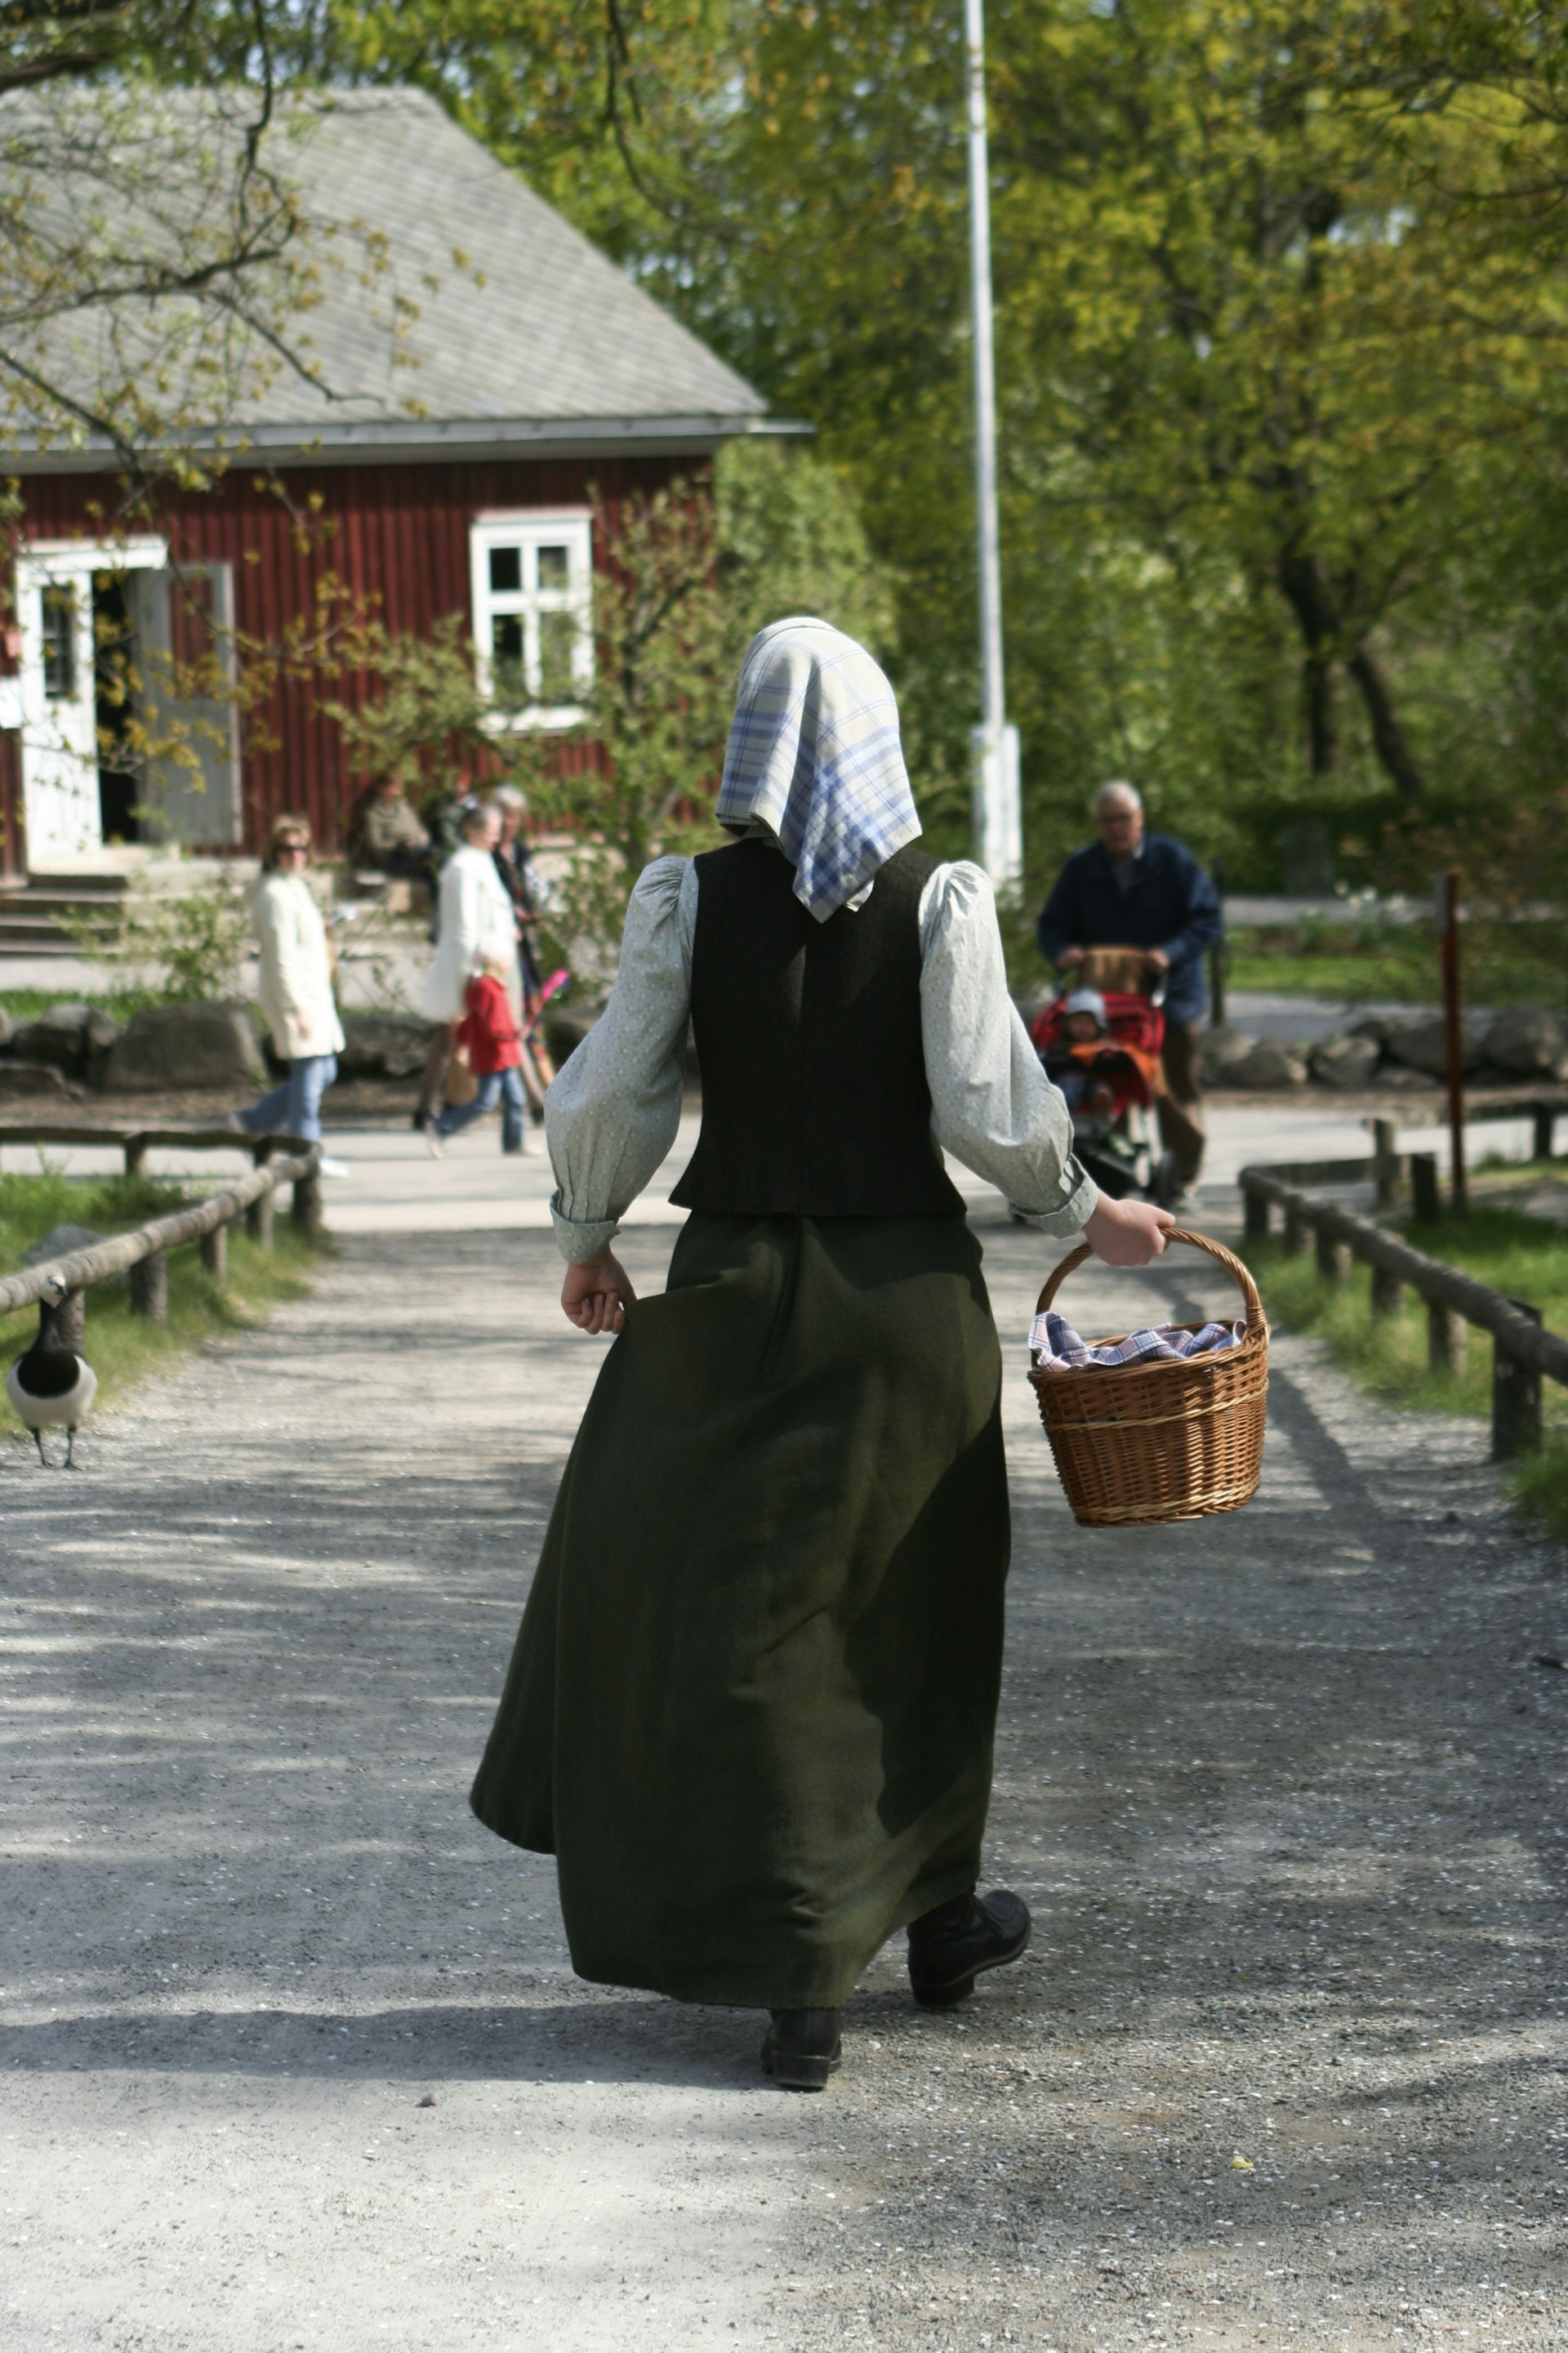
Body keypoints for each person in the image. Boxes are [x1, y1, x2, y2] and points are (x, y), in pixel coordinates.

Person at [469, 617, 1172, 2094]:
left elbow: (620, 1080)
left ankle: (809, 1978)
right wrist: (1080, 1207)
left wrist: (587, 1233)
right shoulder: (938, 900)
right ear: (877, 736)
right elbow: (987, 1091)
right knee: (908, 1608)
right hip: (903, 1300)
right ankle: (929, 1919)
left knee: (744, 1621)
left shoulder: (690, 900)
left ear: (751, 738)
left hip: (733, 1291)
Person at [1036, 781, 1222, 1191]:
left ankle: (1182, 1174)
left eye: (1122, 819)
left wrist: (1169, 952)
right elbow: (1052, 925)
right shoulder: (1083, 868)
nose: (1115, 828)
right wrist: (1063, 951)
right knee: (1108, 1075)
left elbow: (1207, 920)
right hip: (1105, 1001)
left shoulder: (1171, 861)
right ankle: (1111, 1171)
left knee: (1175, 1084)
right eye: (1106, 821)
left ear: (1139, 819)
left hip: (1170, 995)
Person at [238, 814, 350, 1178]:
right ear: (274, 851)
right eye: (288, 848)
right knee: (308, 1078)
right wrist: (295, 1007)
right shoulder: (273, 894)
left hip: (314, 994)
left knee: (324, 1071)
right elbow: (281, 955)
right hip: (296, 996)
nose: (297, 855)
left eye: (302, 847)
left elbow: (302, 937)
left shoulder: (295, 887)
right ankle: (306, 1156)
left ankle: (254, 1120)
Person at [415, 799, 517, 1130]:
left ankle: (429, 1112)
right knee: (454, 1041)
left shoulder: (482, 860)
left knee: (456, 1042)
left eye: (498, 832)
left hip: (489, 970)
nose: (495, 839)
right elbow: (464, 928)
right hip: (474, 973)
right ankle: (432, 1114)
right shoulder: (463, 867)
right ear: (470, 831)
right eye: (490, 832)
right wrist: (469, 978)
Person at [425, 955, 537, 1157]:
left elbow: (472, 1021)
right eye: (504, 959)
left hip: (505, 1054)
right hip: (493, 1055)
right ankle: (441, 1126)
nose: (508, 964)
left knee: (517, 1099)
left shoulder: (491, 986)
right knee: (485, 1102)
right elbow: (491, 1026)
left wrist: (460, 1041)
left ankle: (514, 1143)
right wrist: (514, 1033)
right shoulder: (487, 988)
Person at [486, 783, 553, 1113]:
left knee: (532, 1010)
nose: (509, 822)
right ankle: (540, 1094)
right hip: (498, 947)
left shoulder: (521, 854)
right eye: (503, 816)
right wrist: (515, 913)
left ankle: (545, 1090)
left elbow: (532, 889)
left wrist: (535, 909)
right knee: (511, 1019)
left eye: (514, 816)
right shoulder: (488, 855)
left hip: (522, 946)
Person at [344, 776, 432, 883]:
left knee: (436, 858)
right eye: (391, 787)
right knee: (426, 866)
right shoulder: (374, 814)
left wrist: (422, 837)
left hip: (418, 850)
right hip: (394, 857)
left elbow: (419, 829)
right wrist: (400, 845)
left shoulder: (405, 809)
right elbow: (376, 845)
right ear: (381, 790)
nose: (395, 791)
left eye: (396, 787)